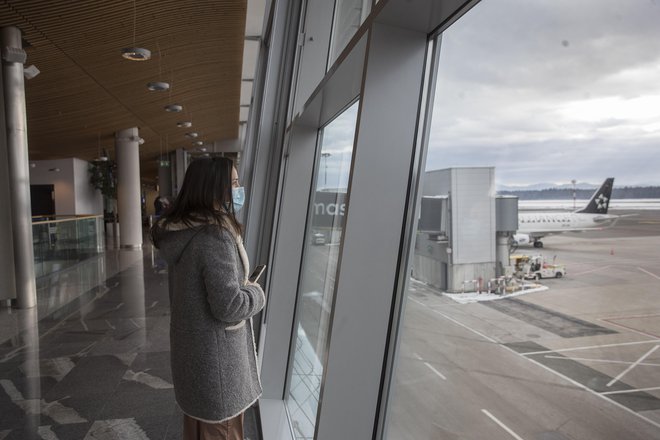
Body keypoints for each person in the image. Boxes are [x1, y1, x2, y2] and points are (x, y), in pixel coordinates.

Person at [151, 157, 265, 440]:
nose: (240, 189)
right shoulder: (215, 236)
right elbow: (230, 305)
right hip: (218, 368)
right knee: (223, 431)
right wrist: (256, 292)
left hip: (194, 357)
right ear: (214, 189)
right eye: (235, 183)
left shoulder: (183, 231)